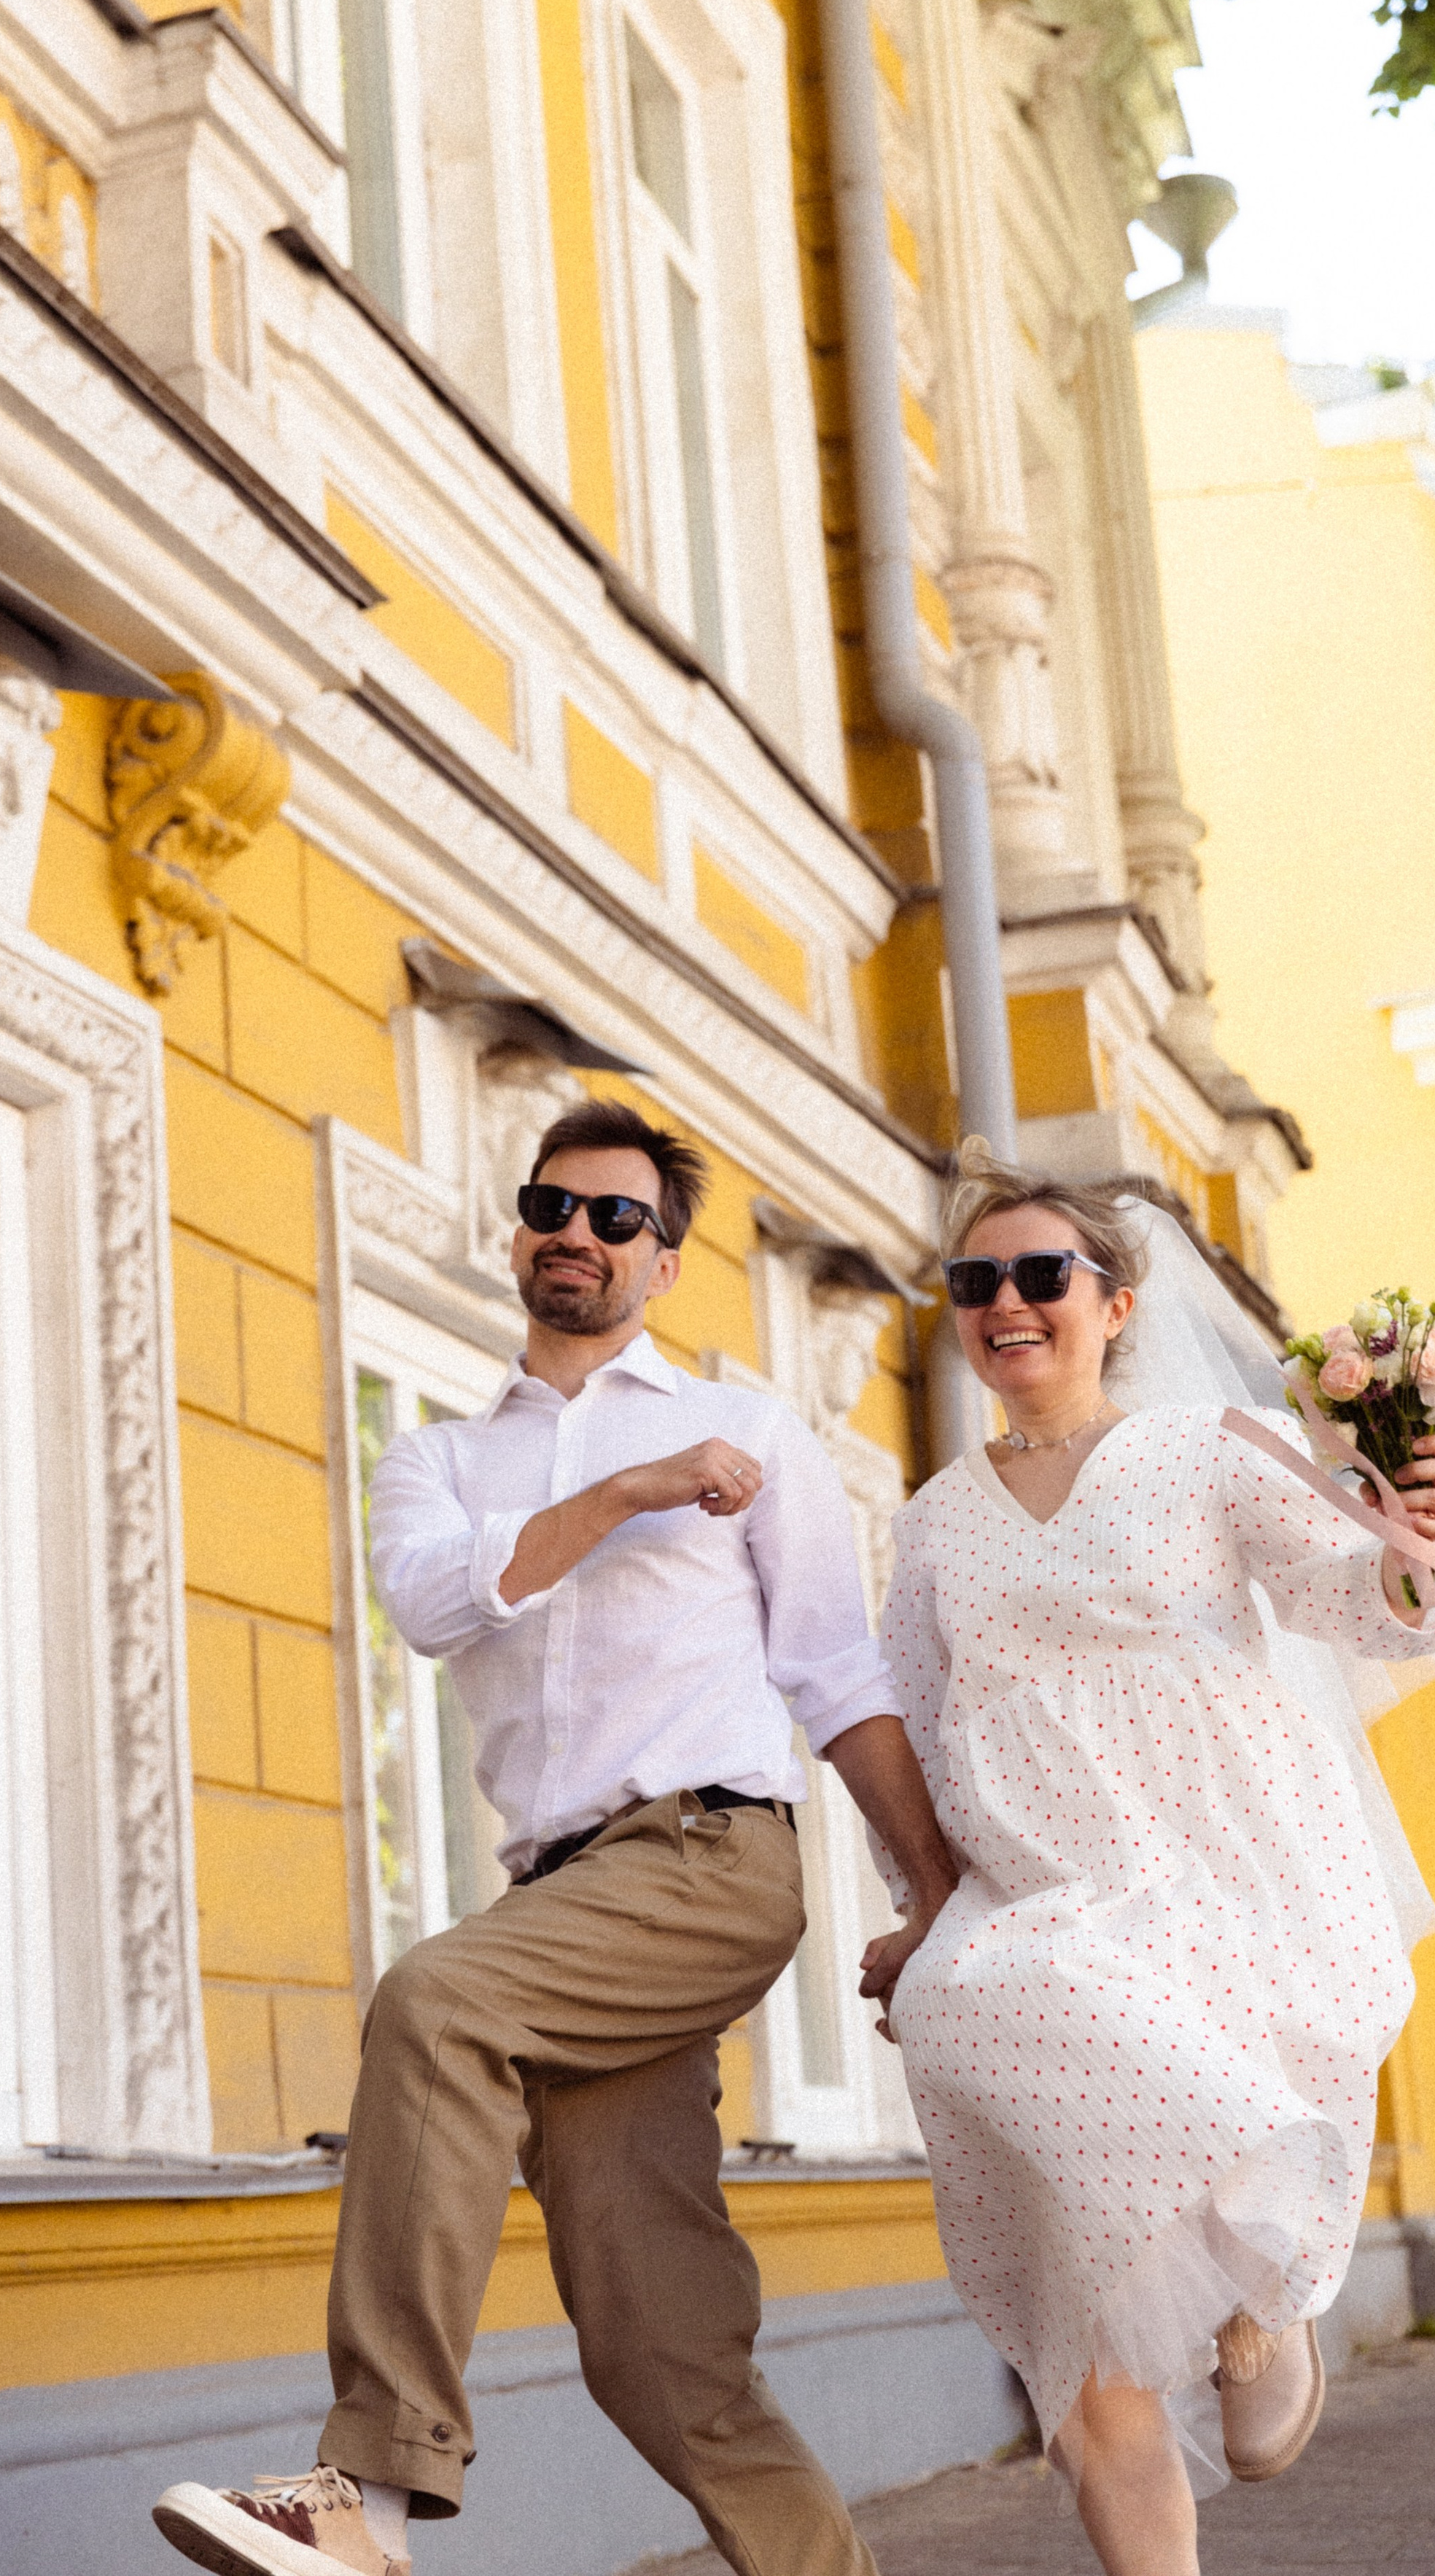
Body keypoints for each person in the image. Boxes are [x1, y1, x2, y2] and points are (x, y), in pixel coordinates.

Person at [155, 1099, 958, 2576]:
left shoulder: (753, 1435)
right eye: (551, 1206)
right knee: (661, 2350)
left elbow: (840, 1678)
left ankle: (368, 2493)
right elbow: (433, 1605)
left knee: (434, 2002)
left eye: (616, 1218)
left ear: (663, 1266)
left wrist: (938, 1903)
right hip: (569, 1905)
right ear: (517, 1230)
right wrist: (624, 1493)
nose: (574, 1234)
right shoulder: (441, 1465)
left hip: (713, 1861)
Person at [874, 1142, 1435, 2576]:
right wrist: (919, 1905)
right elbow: (905, 1728)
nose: (1006, 1303)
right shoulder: (929, 1524)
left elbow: (1376, 1606)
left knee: (1117, 2136)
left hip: (1223, 1869)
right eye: (976, 1282)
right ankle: (1224, 2311)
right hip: (1037, 1897)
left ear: (1118, 1304)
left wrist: (1413, 1550)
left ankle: (1254, 2297)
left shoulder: (1208, 1450)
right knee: (1068, 2313)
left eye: (1042, 1275)